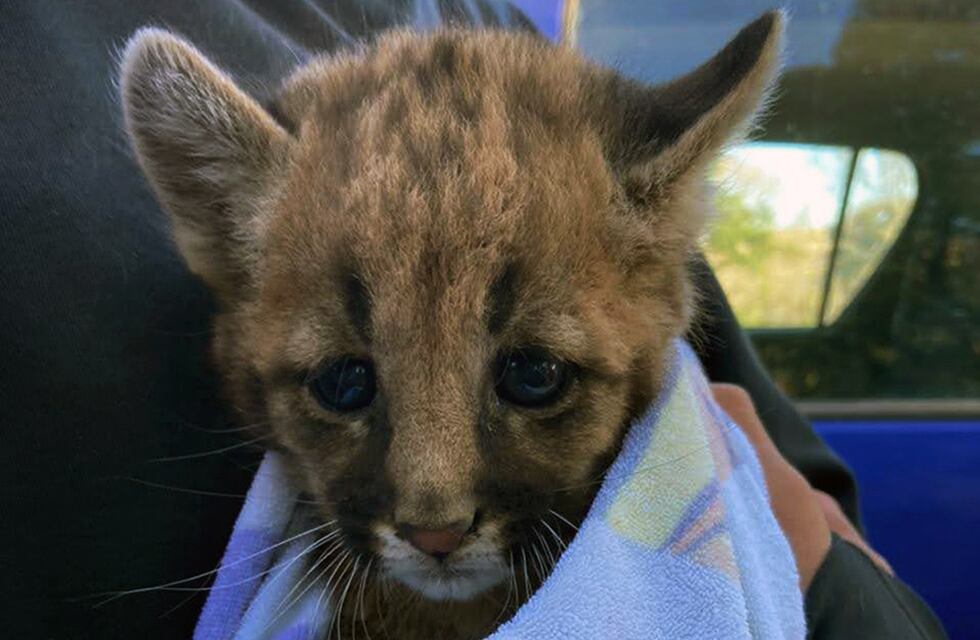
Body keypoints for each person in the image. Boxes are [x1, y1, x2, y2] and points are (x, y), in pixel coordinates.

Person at [0, 1, 946, 638]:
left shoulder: (501, 46)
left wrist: (828, 580)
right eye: (346, 383)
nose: (434, 509)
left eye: (533, 376)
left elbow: (806, 505)